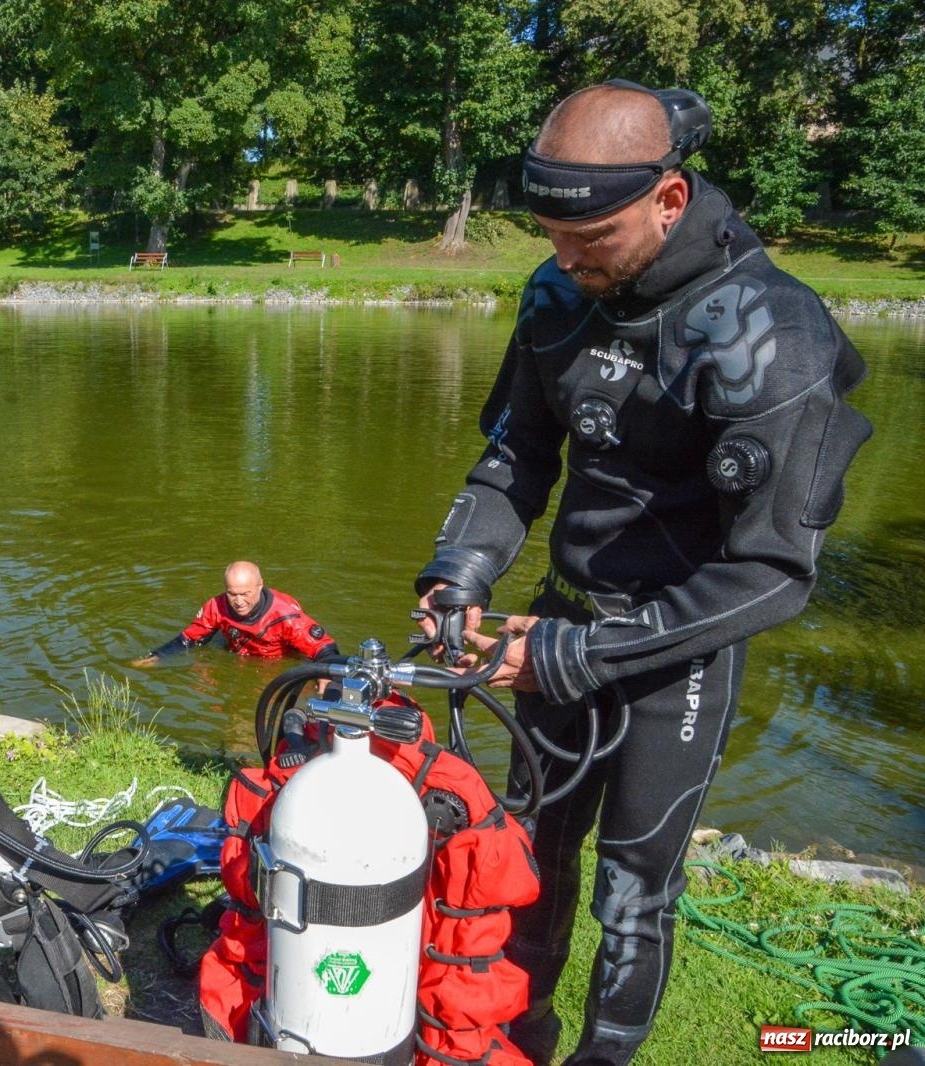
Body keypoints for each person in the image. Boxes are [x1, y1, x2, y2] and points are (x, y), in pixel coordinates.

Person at [412, 81, 871, 1066]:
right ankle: (514, 1039)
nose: (564, 260)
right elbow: (515, 458)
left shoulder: (773, 335)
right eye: (548, 235)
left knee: (632, 891)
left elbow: (773, 572)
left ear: (668, 200)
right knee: (525, 858)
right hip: (558, 625)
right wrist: (462, 568)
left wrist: (579, 654)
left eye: (590, 238)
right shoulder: (556, 295)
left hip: (679, 653)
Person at [134, 560, 339, 665]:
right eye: (232, 594)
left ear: (259, 586)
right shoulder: (217, 606)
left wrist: (324, 674)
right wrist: (158, 656)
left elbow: (324, 648)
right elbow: (189, 638)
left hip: (275, 663)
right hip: (238, 658)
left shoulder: (285, 615)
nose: (238, 602)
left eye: (245, 594)